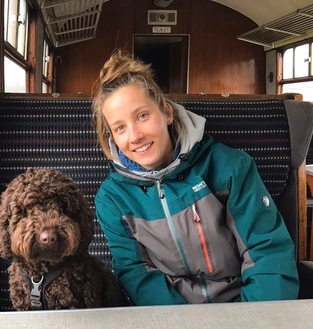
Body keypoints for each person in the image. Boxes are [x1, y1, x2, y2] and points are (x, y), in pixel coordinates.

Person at [91, 50, 299, 305]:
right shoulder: (112, 199)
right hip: (172, 319)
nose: (134, 136)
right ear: (112, 137)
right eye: (120, 127)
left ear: (167, 113)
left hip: (244, 307)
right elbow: (137, 273)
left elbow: (266, 251)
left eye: (142, 116)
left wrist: (252, 326)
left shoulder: (230, 167)